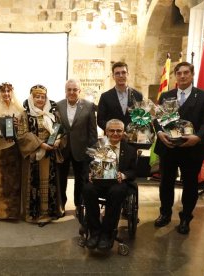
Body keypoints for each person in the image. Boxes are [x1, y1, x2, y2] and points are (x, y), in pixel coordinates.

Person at [153, 61, 204, 234]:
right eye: (179, 73)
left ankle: (186, 218)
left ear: (192, 74)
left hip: (192, 149)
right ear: (175, 76)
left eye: (186, 72)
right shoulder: (166, 96)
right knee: (166, 183)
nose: (182, 76)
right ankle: (164, 214)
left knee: (190, 185)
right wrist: (159, 133)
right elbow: (157, 119)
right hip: (168, 147)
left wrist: (198, 137)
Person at [83, 119, 137, 250]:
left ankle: (107, 233)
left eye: (119, 131)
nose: (115, 133)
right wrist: (89, 174)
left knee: (117, 192)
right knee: (88, 189)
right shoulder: (96, 146)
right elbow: (85, 166)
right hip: (98, 182)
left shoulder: (129, 150)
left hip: (117, 183)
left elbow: (134, 171)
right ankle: (95, 232)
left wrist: (123, 175)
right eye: (112, 130)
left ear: (123, 132)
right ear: (106, 132)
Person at [17, 84, 64, 226]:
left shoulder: (53, 114)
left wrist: (58, 140)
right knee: (35, 183)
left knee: (49, 183)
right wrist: (40, 144)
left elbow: (60, 130)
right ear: (31, 98)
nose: (40, 99)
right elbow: (22, 135)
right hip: (34, 155)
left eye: (42, 97)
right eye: (37, 96)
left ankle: (49, 212)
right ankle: (35, 214)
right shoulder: (25, 115)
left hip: (50, 156)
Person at [56, 79, 97, 215]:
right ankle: (61, 205)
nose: (72, 92)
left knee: (81, 180)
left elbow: (92, 132)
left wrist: (92, 152)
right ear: (65, 91)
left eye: (75, 89)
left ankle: (79, 205)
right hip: (62, 149)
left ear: (79, 91)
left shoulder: (89, 106)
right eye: (69, 89)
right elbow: (55, 128)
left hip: (82, 150)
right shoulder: (58, 106)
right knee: (61, 179)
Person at [0, 82, 24, 220]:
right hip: (0, 148)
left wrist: (17, 125)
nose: (6, 94)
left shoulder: (19, 109)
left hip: (14, 148)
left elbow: (23, 129)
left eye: (9, 91)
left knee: (14, 180)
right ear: (0, 93)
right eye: (4, 91)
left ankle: (13, 212)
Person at [97, 61, 143, 131]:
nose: (121, 75)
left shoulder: (138, 95)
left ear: (128, 74)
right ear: (113, 76)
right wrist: (115, 131)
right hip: (113, 138)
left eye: (123, 72)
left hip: (132, 138)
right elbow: (100, 120)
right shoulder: (105, 97)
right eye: (117, 73)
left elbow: (142, 118)